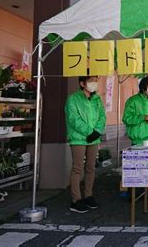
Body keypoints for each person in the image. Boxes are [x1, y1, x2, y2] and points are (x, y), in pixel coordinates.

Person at [65, 75, 106, 213]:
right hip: (78, 138)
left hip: (93, 138)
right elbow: (73, 119)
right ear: (82, 83)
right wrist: (90, 132)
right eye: (91, 81)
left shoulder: (97, 99)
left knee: (90, 168)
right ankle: (76, 199)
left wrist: (97, 131)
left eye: (95, 80)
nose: (94, 83)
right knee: (77, 168)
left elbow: (102, 116)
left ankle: (88, 195)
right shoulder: (73, 99)